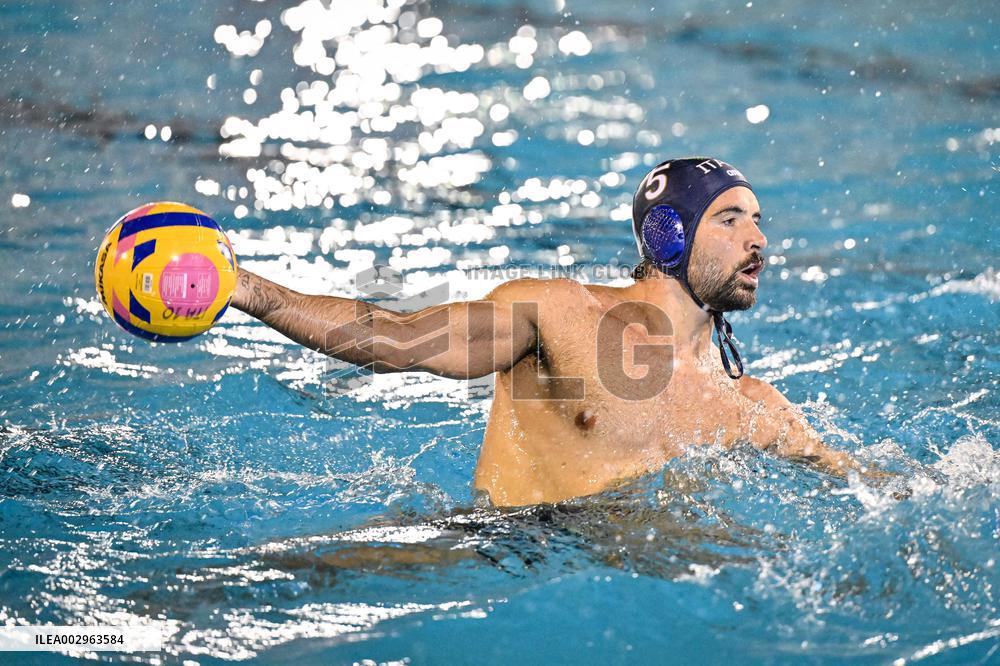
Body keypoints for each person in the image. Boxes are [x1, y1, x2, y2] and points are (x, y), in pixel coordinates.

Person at [231, 156, 874, 507]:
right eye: (730, 220)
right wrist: (248, 290)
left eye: (758, 221)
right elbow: (395, 338)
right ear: (668, 236)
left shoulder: (750, 406)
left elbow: (867, 484)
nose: (758, 239)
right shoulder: (560, 315)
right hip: (505, 557)